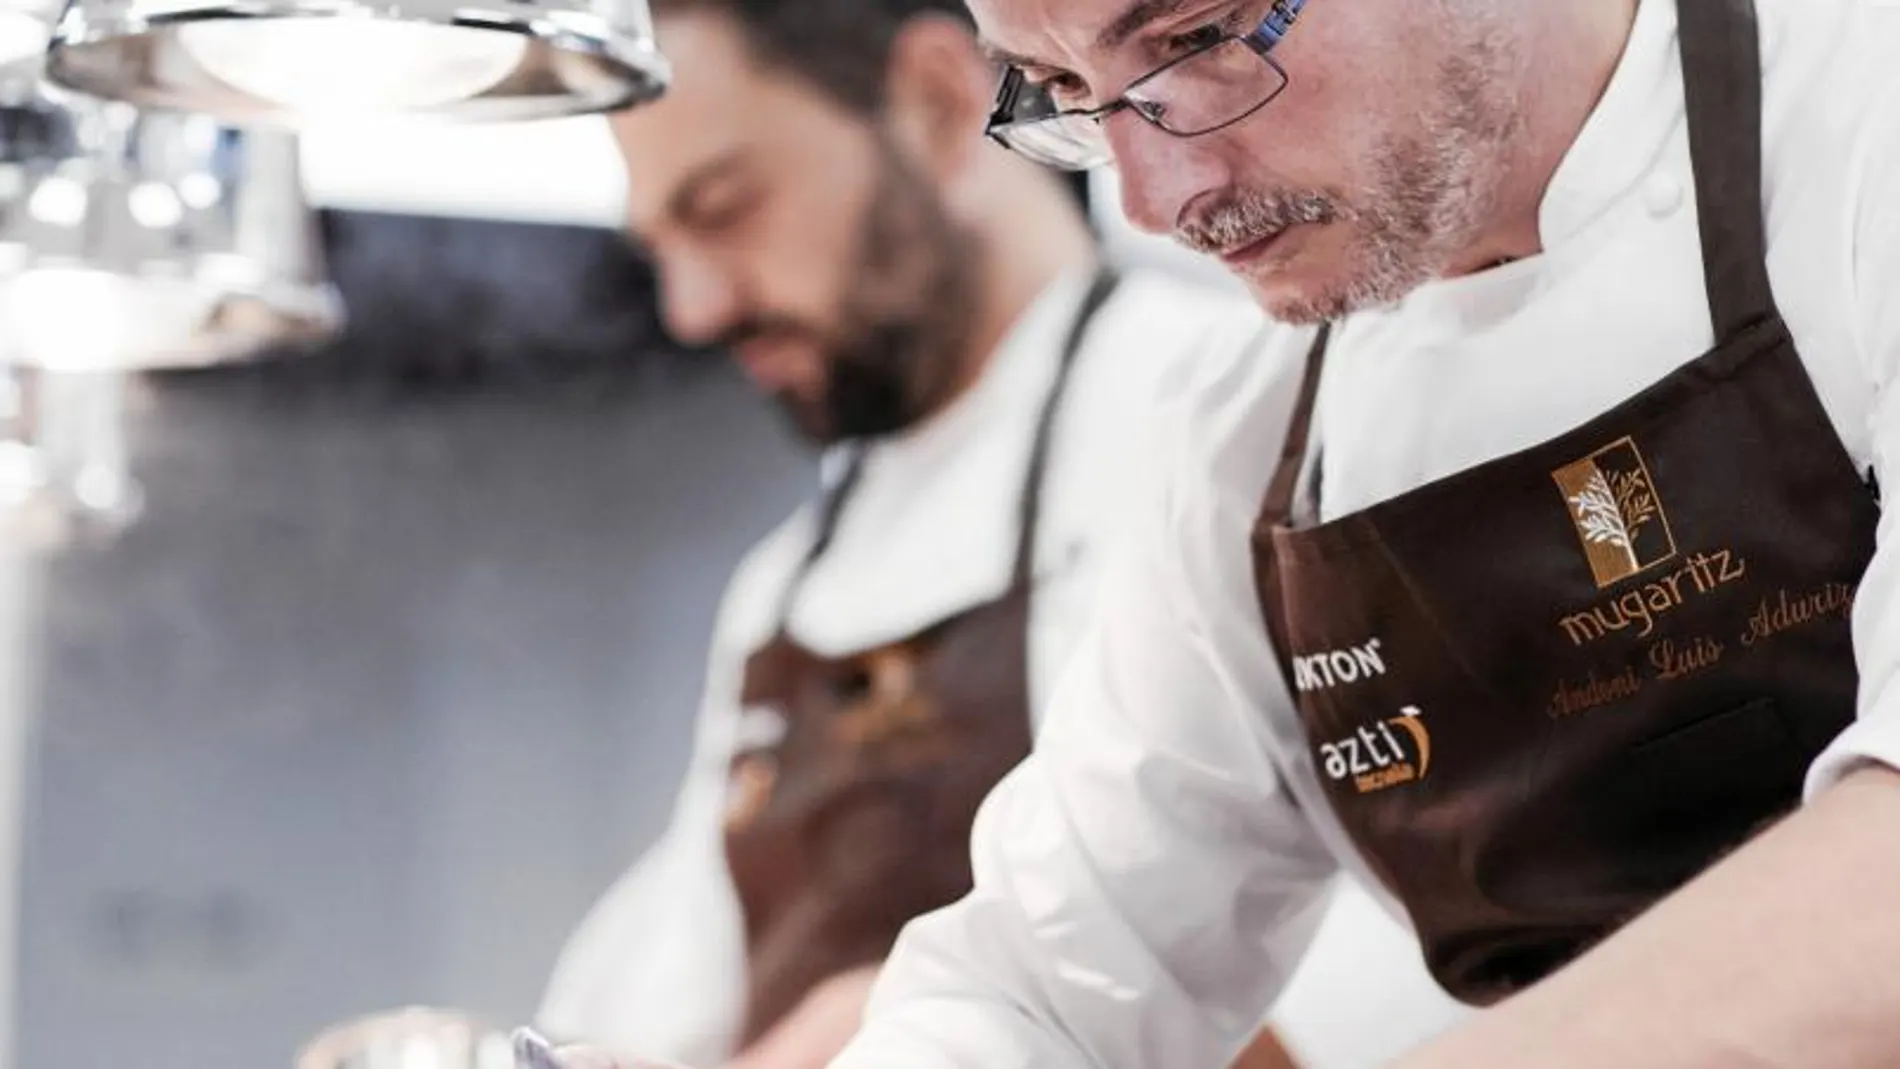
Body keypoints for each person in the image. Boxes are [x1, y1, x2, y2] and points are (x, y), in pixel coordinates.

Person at [766, 0, 1900, 1064]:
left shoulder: (1862, 129)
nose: (1150, 199)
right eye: (1062, 85)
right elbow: (1033, 983)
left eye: (1198, 36)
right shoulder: (1245, 446)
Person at [532, 1, 1461, 1066]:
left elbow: (1411, 906)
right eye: (659, 244)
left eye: (727, 207)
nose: (692, 307)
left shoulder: (1233, 418)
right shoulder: (784, 584)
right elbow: (672, 987)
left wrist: (933, 1014)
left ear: (934, 103)